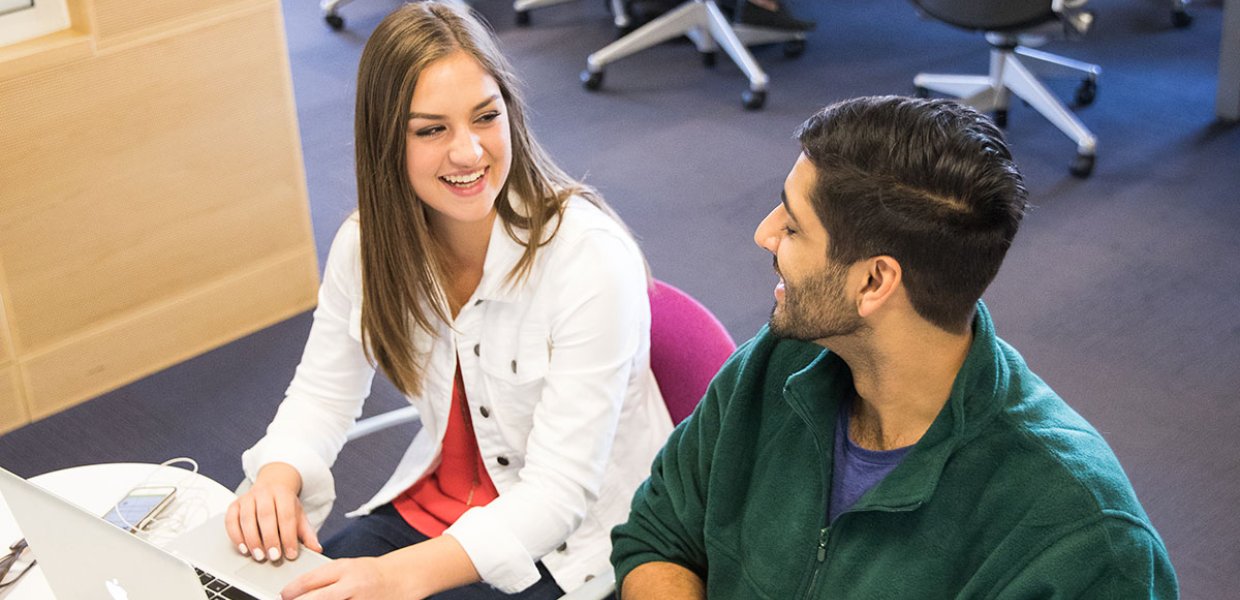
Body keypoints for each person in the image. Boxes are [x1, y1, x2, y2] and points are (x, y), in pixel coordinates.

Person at [611, 96, 1179, 598]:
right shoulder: (782, 359)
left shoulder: (1080, 534)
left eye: (794, 226)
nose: (764, 232)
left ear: (874, 282)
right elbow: (658, 536)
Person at [228, 2, 673, 599]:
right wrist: (277, 478)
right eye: (431, 129)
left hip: (571, 546)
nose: (469, 153)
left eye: (485, 117)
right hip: (436, 510)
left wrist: (392, 578)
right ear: (387, 140)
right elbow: (323, 393)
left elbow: (559, 494)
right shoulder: (369, 246)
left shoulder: (587, 257)